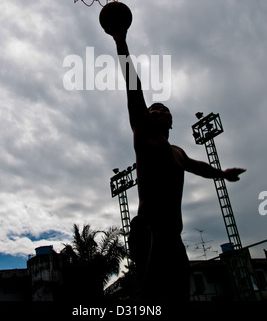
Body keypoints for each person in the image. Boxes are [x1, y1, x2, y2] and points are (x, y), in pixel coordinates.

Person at [105, 25, 245, 305]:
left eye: (164, 110)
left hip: (173, 236)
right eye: (154, 109)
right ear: (145, 117)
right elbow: (133, 86)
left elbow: (198, 166)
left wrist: (222, 173)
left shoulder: (177, 152)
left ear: (170, 121)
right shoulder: (144, 134)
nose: (158, 111)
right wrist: (121, 42)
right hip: (149, 230)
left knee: (179, 296)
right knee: (153, 299)